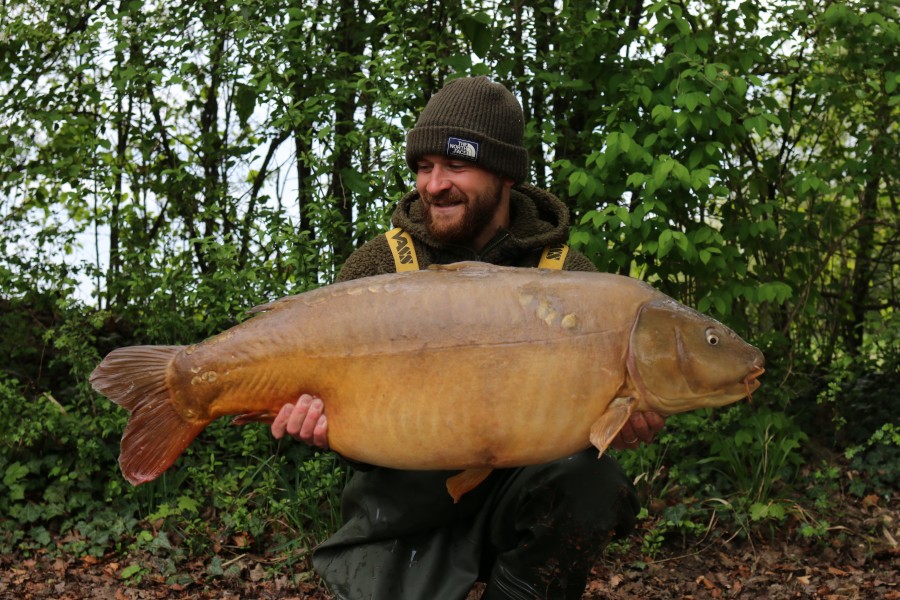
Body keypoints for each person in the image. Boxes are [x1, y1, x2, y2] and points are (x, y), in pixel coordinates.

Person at [271, 76, 665, 600]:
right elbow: (355, 438)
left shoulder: (571, 280)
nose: (434, 185)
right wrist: (319, 425)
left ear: (505, 174)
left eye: (456, 165)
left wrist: (626, 420)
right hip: (400, 508)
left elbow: (595, 421)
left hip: (519, 494)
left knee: (589, 481)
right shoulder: (379, 265)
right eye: (424, 167)